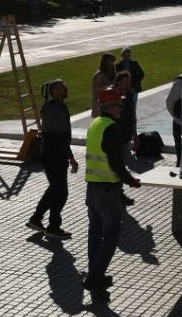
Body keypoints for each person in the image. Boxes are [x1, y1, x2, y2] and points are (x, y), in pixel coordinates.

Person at [82, 87, 141, 298]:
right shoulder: (111, 128)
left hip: (92, 187)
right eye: (119, 104)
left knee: (95, 233)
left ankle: (95, 275)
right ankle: (94, 277)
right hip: (108, 189)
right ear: (110, 106)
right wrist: (130, 180)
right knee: (112, 232)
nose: (122, 107)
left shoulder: (95, 124)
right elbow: (115, 163)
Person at [26, 78, 78, 238]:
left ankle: (36, 219)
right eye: (62, 88)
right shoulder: (55, 109)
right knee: (61, 193)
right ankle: (53, 227)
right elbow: (60, 136)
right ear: (53, 91)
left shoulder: (53, 107)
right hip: (55, 156)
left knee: (54, 189)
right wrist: (71, 158)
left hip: (51, 154)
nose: (65, 89)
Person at [165, 71, 182, 164]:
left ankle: (178, 160)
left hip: (179, 119)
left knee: (177, 140)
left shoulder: (180, 80)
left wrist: (174, 114)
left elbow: (169, 101)